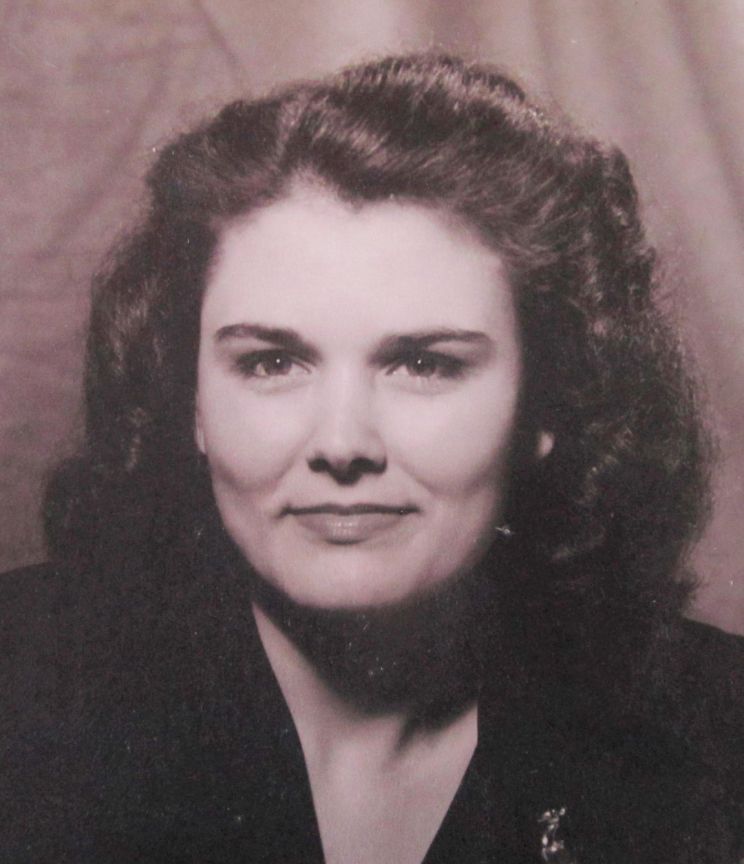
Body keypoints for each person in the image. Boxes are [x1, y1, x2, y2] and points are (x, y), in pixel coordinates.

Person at [2, 52, 743, 863]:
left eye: (424, 364)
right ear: (192, 404)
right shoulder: (24, 684)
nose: (342, 444)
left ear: (547, 407)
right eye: (271, 363)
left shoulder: (716, 735)